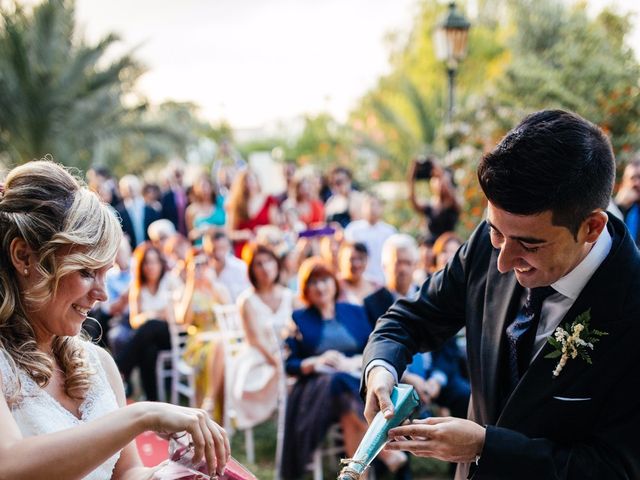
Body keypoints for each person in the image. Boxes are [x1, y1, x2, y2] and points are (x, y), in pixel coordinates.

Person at [362, 110, 640, 479]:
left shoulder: (631, 307)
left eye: (529, 244)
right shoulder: (492, 240)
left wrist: (486, 447)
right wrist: (380, 368)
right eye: (496, 233)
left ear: (591, 227)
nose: (505, 261)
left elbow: (615, 468)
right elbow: (408, 319)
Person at [0, 160, 229, 479]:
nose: (102, 294)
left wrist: (166, 476)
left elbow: (126, 472)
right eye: (86, 272)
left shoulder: (99, 364)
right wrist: (143, 414)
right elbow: (8, 465)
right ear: (24, 256)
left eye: (106, 273)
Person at [281, 257, 405, 479]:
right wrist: (315, 362)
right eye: (313, 282)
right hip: (317, 388)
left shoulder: (354, 311)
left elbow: (375, 347)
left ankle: (356, 475)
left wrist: (352, 362)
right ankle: (385, 451)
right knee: (339, 383)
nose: (320, 287)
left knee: (349, 408)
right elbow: (289, 364)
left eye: (325, 280)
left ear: (334, 282)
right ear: (305, 289)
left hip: (354, 378)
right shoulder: (298, 318)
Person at [231, 244, 295, 429]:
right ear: (252, 270)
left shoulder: (289, 296)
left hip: (287, 352)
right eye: (259, 264)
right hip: (260, 354)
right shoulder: (247, 300)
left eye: (269, 261)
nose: (265, 268)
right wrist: (276, 362)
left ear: (276, 264)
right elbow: (254, 340)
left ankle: (292, 418)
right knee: (263, 377)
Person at [116, 242, 182, 401]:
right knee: (148, 351)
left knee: (151, 325)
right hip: (148, 338)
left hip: (171, 335)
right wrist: (153, 315)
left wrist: (150, 316)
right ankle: (154, 401)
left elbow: (177, 313)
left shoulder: (171, 281)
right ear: (141, 265)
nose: (151, 266)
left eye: (154, 261)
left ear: (160, 263)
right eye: (146, 262)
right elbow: (134, 320)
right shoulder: (137, 287)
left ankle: (119, 371)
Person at [344, 192, 397, 284]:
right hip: (361, 280)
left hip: (384, 280)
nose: (372, 208)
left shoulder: (390, 231)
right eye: (369, 204)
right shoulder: (353, 229)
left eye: (376, 205)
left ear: (381, 208)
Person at [226, 168, 280, 258]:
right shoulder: (235, 203)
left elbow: (276, 227)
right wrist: (242, 235)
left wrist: (263, 230)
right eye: (246, 181)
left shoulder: (269, 200)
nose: (249, 184)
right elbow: (229, 232)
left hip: (265, 246)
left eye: (252, 180)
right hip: (243, 249)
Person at [408, 155, 460, 243]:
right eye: (435, 178)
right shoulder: (429, 206)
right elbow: (412, 199)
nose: (438, 182)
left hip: (446, 247)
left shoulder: (453, 203)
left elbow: (446, 187)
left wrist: (436, 165)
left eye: (440, 179)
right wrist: (413, 171)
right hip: (430, 248)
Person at [116, 175, 161, 249]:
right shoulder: (118, 212)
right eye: (126, 188)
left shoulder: (151, 208)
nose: (130, 190)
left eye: (133, 186)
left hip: (150, 249)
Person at [614, 156, 640, 246]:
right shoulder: (618, 207)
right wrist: (618, 205)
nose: (636, 183)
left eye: (639, 177)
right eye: (632, 178)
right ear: (624, 182)